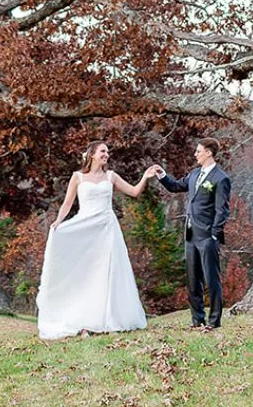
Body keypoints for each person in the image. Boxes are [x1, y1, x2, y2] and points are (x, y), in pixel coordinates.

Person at [36, 142, 160, 340]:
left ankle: (107, 319)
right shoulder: (77, 177)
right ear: (92, 154)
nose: (106, 155)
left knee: (107, 272)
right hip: (86, 227)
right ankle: (84, 320)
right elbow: (68, 204)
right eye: (103, 151)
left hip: (106, 228)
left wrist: (145, 176)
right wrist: (59, 222)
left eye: (107, 152)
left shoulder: (111, 176)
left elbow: (134, 192)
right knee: (87, 273)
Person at [148, 138, 231, 330]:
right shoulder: (194, 174)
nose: (196, 154)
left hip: (207, 236)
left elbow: (222, 210)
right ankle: (197, 319)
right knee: (193, 279)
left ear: (209, 152)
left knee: (212, 279)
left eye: (199, 151)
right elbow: (176, 186)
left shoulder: (221, 178)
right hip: (191, 234)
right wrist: (162, 175)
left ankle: (214, 321)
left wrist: (214, 234)